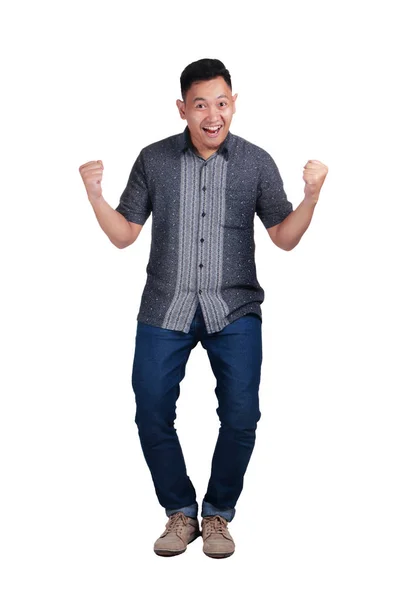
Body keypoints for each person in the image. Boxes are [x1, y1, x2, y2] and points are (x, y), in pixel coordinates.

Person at [79, 58, 328, 559]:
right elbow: (125, 235)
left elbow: (284, 238)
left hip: (234, 309)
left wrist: (313, 196)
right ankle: (179, 513)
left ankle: (216, 515)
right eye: (200, 105)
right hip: (164, 307)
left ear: (233, 104)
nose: (212, 115)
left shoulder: (256, 162)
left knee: (241, 416)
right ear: (182, 109)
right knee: (150, 411)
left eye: (221, 103)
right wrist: (94, 195)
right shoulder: (154, 160)